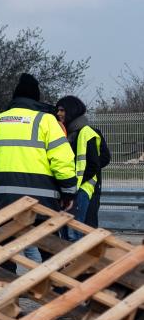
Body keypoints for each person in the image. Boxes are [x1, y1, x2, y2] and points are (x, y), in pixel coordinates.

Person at [0, 74, 77, 214]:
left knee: (3, 236)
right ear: (36, 99)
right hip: (40, 202)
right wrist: (69, 192)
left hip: (1, 202)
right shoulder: (46, 121)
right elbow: (62, 160)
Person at [56, 96, 110, 238]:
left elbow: (99, 161)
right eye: (58, 110)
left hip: (83, 189)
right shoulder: (66, 134)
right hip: (71, 189)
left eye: (62, 110)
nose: (59, 113)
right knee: (69, 233)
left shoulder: (88, 132)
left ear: (72, 111)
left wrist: (77, 179)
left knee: (78, 234)